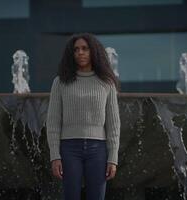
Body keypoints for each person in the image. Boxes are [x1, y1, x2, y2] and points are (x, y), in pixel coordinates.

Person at [46, 33, 121, 200]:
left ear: (93, 51)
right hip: (69, 148)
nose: (80, 52)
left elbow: (113, 124)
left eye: (85, 49)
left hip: (98, 149)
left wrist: (113, 158)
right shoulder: (60, 82)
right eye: (76, 50)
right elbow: (53, 122)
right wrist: (55, 156)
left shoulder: (107, 82)